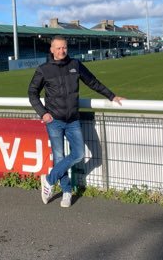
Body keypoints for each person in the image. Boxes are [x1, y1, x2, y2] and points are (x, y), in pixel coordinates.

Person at [28, 35, 125, 208]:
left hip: (73, 120)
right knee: (59, 158)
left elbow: (93, 82)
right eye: (58, 48)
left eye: (64, 47)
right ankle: (67, 192)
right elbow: (32, 93)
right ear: (51, 49)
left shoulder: (75, 65)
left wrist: (111, 96)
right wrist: (42, 113)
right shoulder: (43, 69)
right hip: (54, 121)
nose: (61, 51)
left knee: (78, 154)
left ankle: (49, 179)